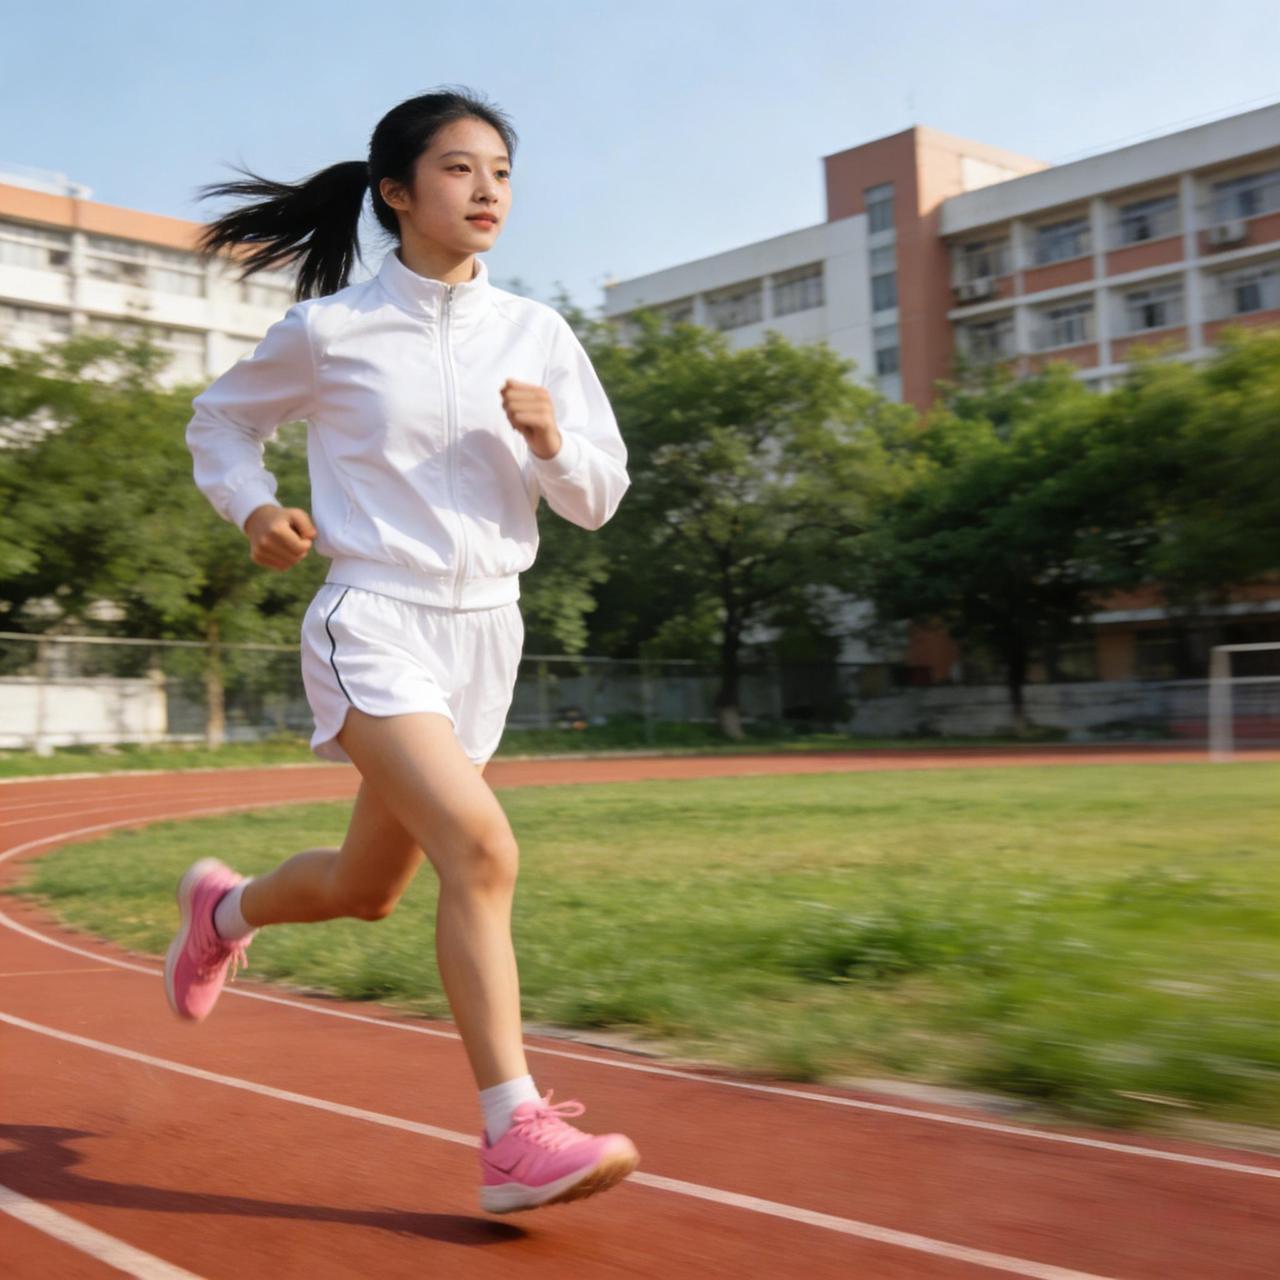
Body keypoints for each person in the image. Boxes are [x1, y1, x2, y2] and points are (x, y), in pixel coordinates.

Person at [168, 86, 638, 1215]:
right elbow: (219, 420)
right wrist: (252, 509)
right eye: (460, 170)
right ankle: (511, 1133)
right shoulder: (329, 332)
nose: (487, 192)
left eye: (501, 173)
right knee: (479, 848)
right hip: (370, 613)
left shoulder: (539, 335)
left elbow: (598, 498)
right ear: (395, 191)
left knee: (368, 889)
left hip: (487, 629)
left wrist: (550, 439)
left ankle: (220, 914)